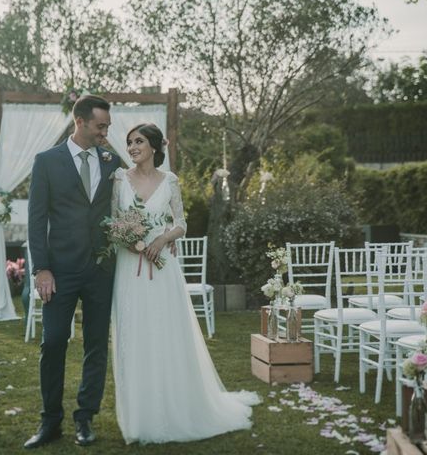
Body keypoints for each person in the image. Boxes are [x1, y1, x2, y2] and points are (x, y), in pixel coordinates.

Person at [110, 123, 260, 445]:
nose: (132, 147)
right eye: (129, 142)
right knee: (134, 334)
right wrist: (130, 240)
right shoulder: (120, 179)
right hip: (130, 267)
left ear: (153, 146)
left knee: (165, 333)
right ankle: (139, 416)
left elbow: (181, 223)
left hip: (164, 269)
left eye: (138, 141)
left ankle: (175, 404)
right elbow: (113, 222)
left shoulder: (171, 181)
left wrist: (163, 239)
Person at [25, 95, 120, 449]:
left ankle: (85, 418)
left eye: (107, 126)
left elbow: (135, 197)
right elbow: (36, 220)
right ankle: (50, 422)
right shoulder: (46, 161)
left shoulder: (112, 161)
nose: (105, 132)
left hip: (101, 270)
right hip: (59, 272)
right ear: (79, 122)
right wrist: (42, 268)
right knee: (52, 342)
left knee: (96, 344)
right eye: (100, 126)